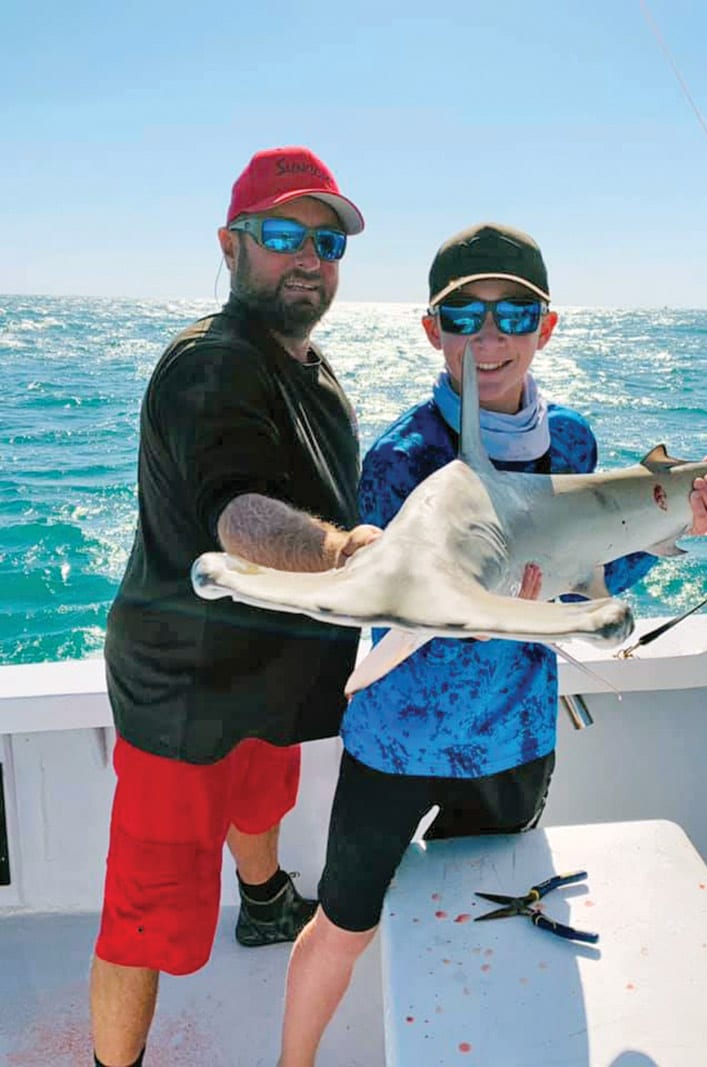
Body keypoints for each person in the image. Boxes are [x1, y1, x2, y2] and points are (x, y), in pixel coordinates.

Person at [277, 222, 707, 1065]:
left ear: (547, 326)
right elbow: (398, 597)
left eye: (512, 313)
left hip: (513, 737)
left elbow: (587, 576)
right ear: (431, 330)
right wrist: (495, 595)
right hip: (399, 739)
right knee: (343, 926)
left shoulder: (573, 442)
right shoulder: (400, 456)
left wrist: (689, 522)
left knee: (484, 912)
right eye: (463, 316)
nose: (488, 337)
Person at [91, 146, 381, 1067]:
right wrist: (341, 554)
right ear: (230, 244)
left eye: (326, 240)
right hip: (186, 697)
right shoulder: (210, 367)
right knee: (147, 922)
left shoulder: (312, 368)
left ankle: (262, 902)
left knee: (265, 789)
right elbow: (239, 511)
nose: (309, 256)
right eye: (283, 233)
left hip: (267, 675)